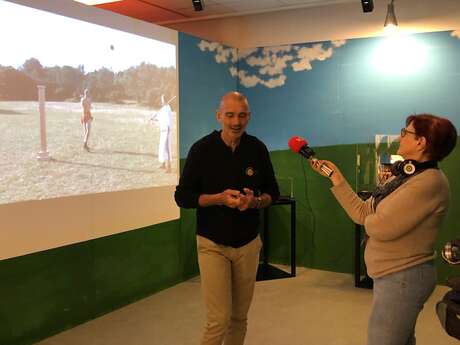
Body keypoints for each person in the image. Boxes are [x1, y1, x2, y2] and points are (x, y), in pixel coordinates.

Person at [310, 114, 457, 345]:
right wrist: (336, 178)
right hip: (391, 275)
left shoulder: (429, 181)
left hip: (404, 277)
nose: (400, 135)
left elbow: (381, 227)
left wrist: (373, 218)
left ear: (421, 142)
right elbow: (362, 212)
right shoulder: (403, 177)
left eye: (405, 132)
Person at [174, 91, 280, 345]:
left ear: (249, 117)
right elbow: (183, 197)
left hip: (248, 245)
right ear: (219, 116)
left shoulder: (257, 148)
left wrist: (254, 201)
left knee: (238, 318)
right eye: (230, 115)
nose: (236, 122)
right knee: (218, 320)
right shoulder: (201, 150)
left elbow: (273, 193)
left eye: (242, 115)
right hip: (212, 244)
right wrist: (218, 199)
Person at [151, 95, 173, 173]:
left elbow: (167, 120)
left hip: (167, 131)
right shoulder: (163, 109)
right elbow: (160, 118)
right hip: (163, 131)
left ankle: (169, 167)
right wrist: (153, 118)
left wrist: (167, 129)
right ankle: (163, 164)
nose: (161, 101)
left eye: (162, 99)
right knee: (162, 148)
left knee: (167, 149)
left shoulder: (167, 108)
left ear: (165, 100)